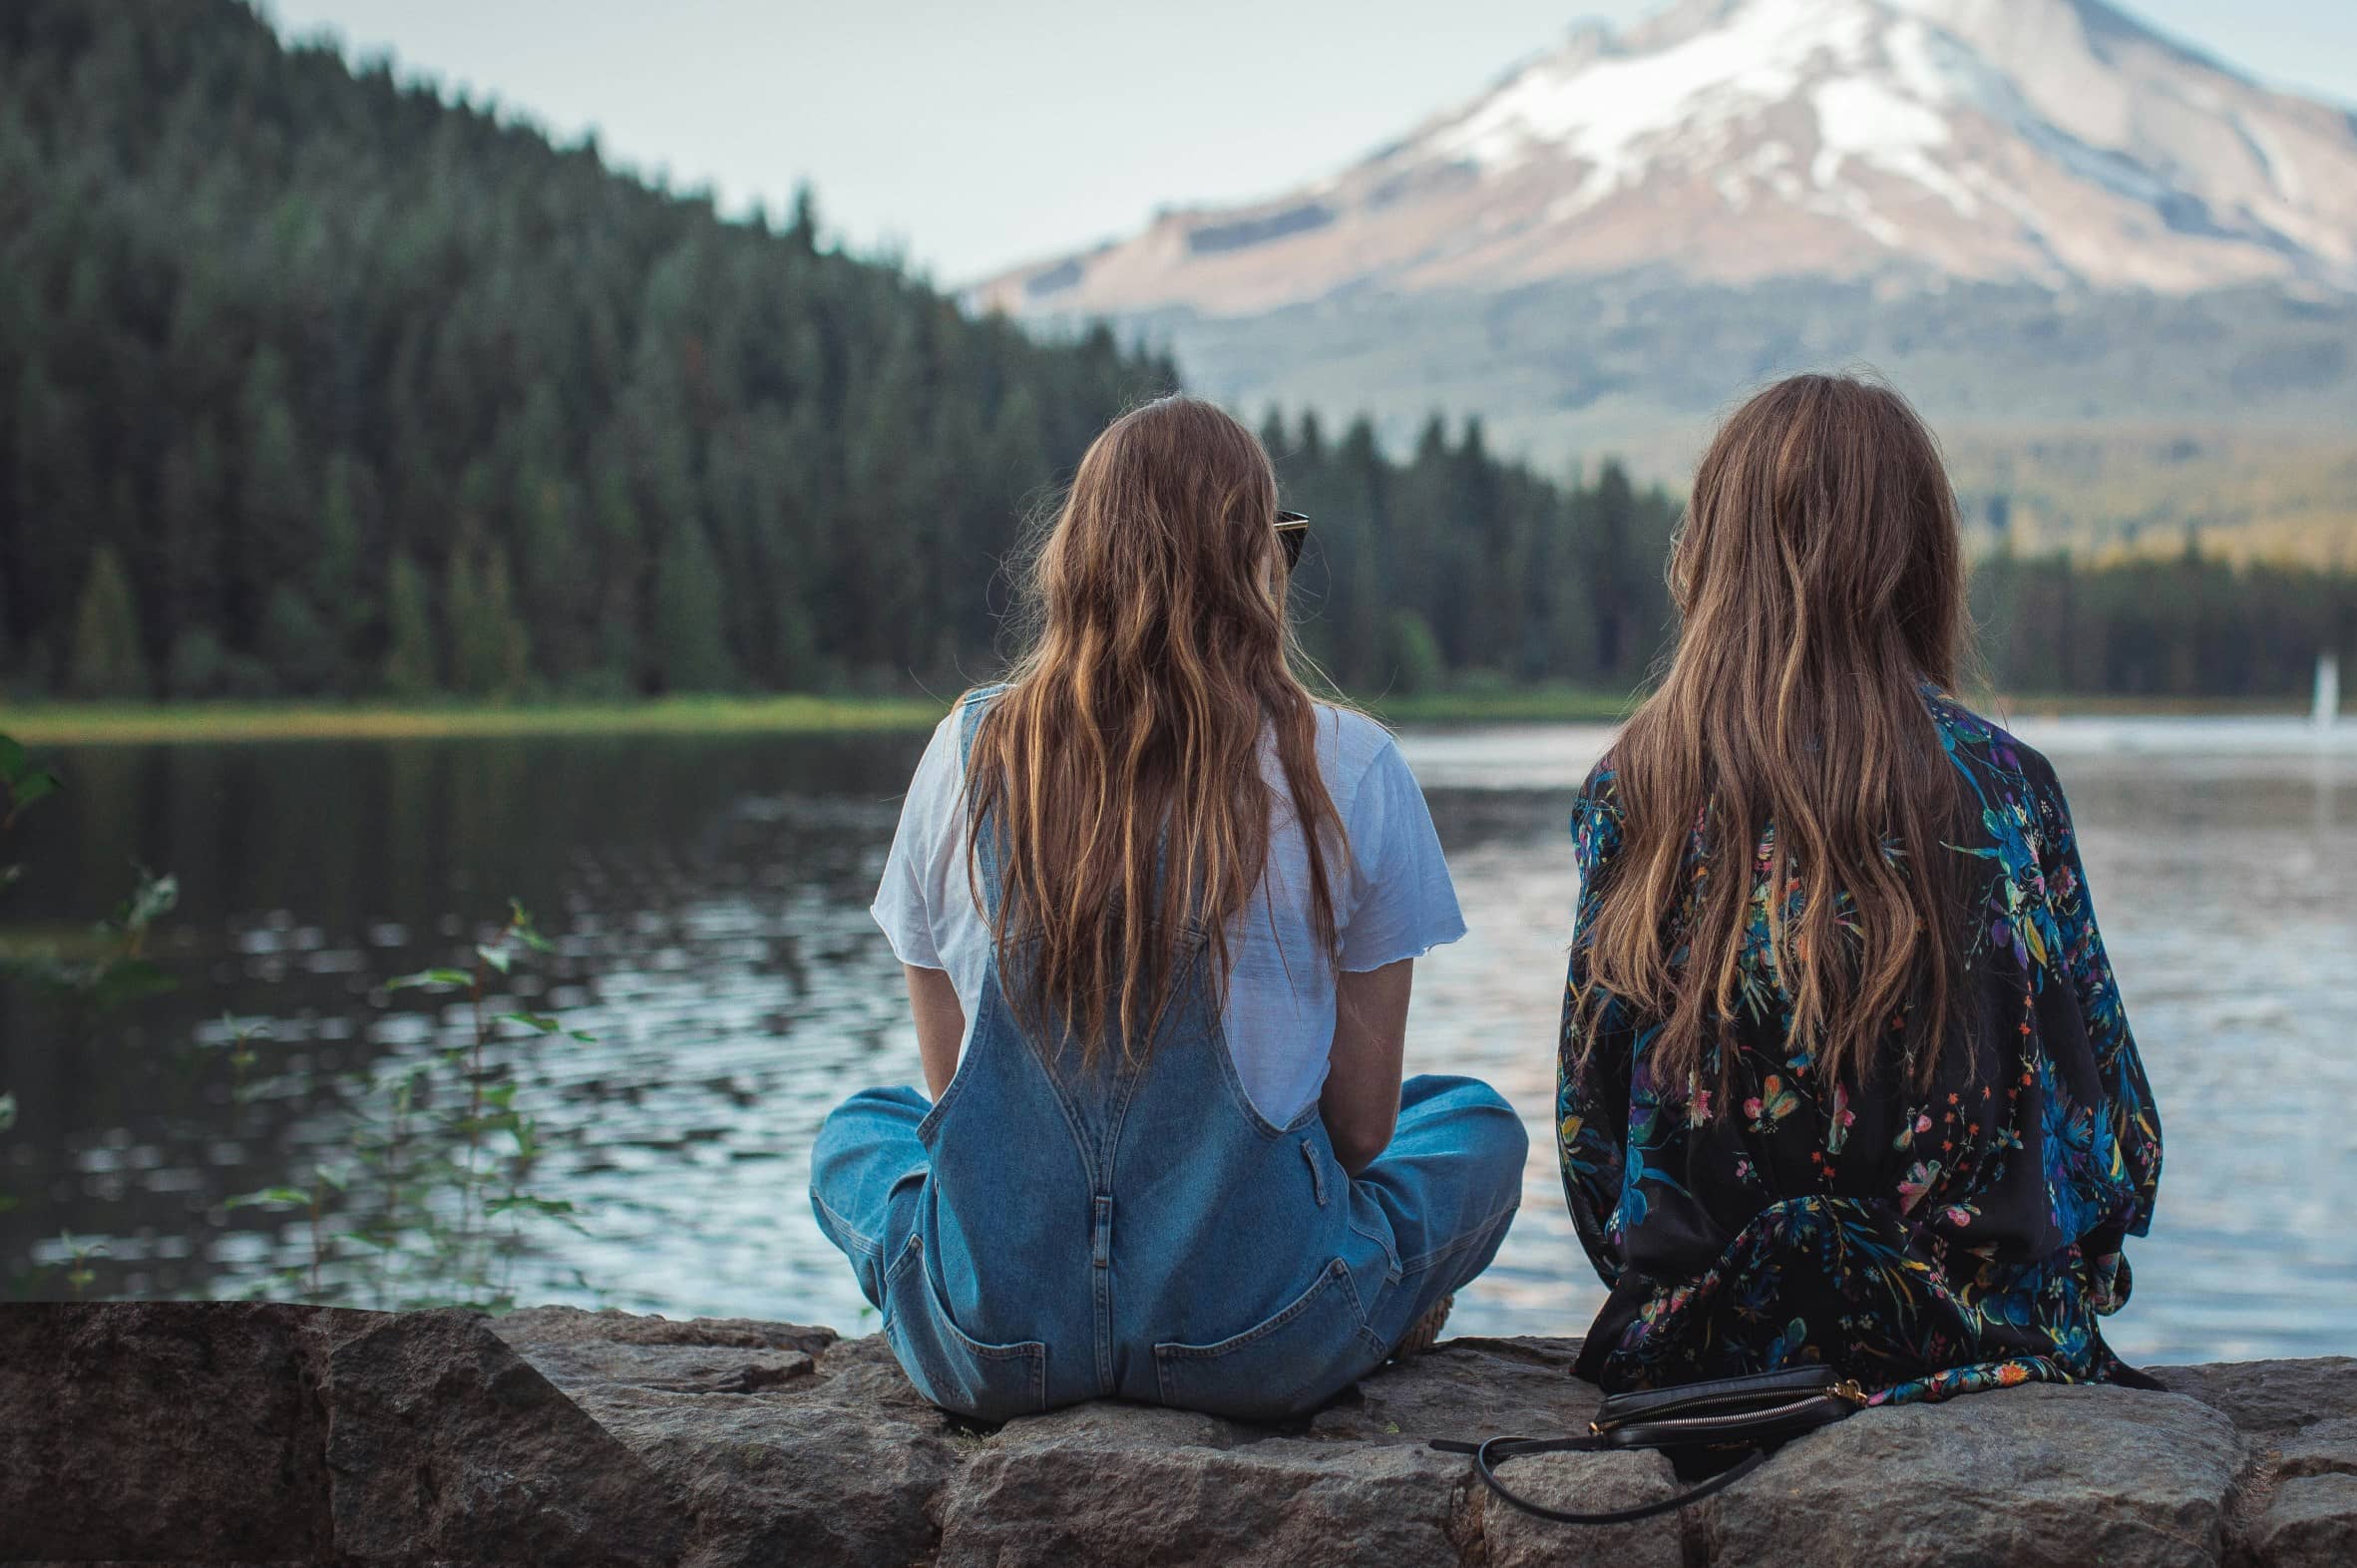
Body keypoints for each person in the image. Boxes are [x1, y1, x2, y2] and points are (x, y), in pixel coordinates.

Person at [811, 395, 1524, 1423]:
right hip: (1258, 1340)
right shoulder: (1350, 764)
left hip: (998, 1344)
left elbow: (952, 1105)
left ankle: (940, 1296)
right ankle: (1374, 1295)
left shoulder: (968, 753)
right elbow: (1365, 1131)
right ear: (1255, 568)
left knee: (861, 1130)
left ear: (1079, 561)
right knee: (1472, 1124)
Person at [1556, 373, 2163, 1403]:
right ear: (1920, 561)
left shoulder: (1634, 787)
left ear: (1713, 552)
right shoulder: (2004, 786)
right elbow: (2116, 1145)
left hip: (1709, 1344)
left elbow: (1592, 1144)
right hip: (1976, 1338)